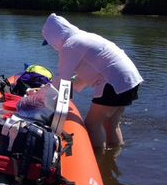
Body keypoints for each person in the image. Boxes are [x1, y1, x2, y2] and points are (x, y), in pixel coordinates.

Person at [41, 13, 142, 150]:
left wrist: (40, 95)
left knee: (93, 124)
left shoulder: (71, 45)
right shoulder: (85, 38)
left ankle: (98, 160)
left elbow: (62, 79)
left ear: (55, 36)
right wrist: (73, 86)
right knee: (111, 123)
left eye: (50, 42)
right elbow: (87, 74)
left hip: (113, 83)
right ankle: (113, 157)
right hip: (130, 80)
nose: (52, 46)